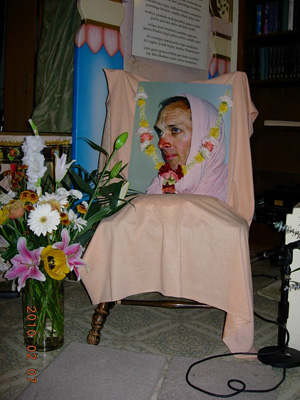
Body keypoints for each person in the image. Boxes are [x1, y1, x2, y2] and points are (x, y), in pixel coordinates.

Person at [146, 93, 228, 202]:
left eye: (175, 130)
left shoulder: (232, 187)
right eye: (160, 132)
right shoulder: (158, 187)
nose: (161, 144)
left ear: (205, 133)